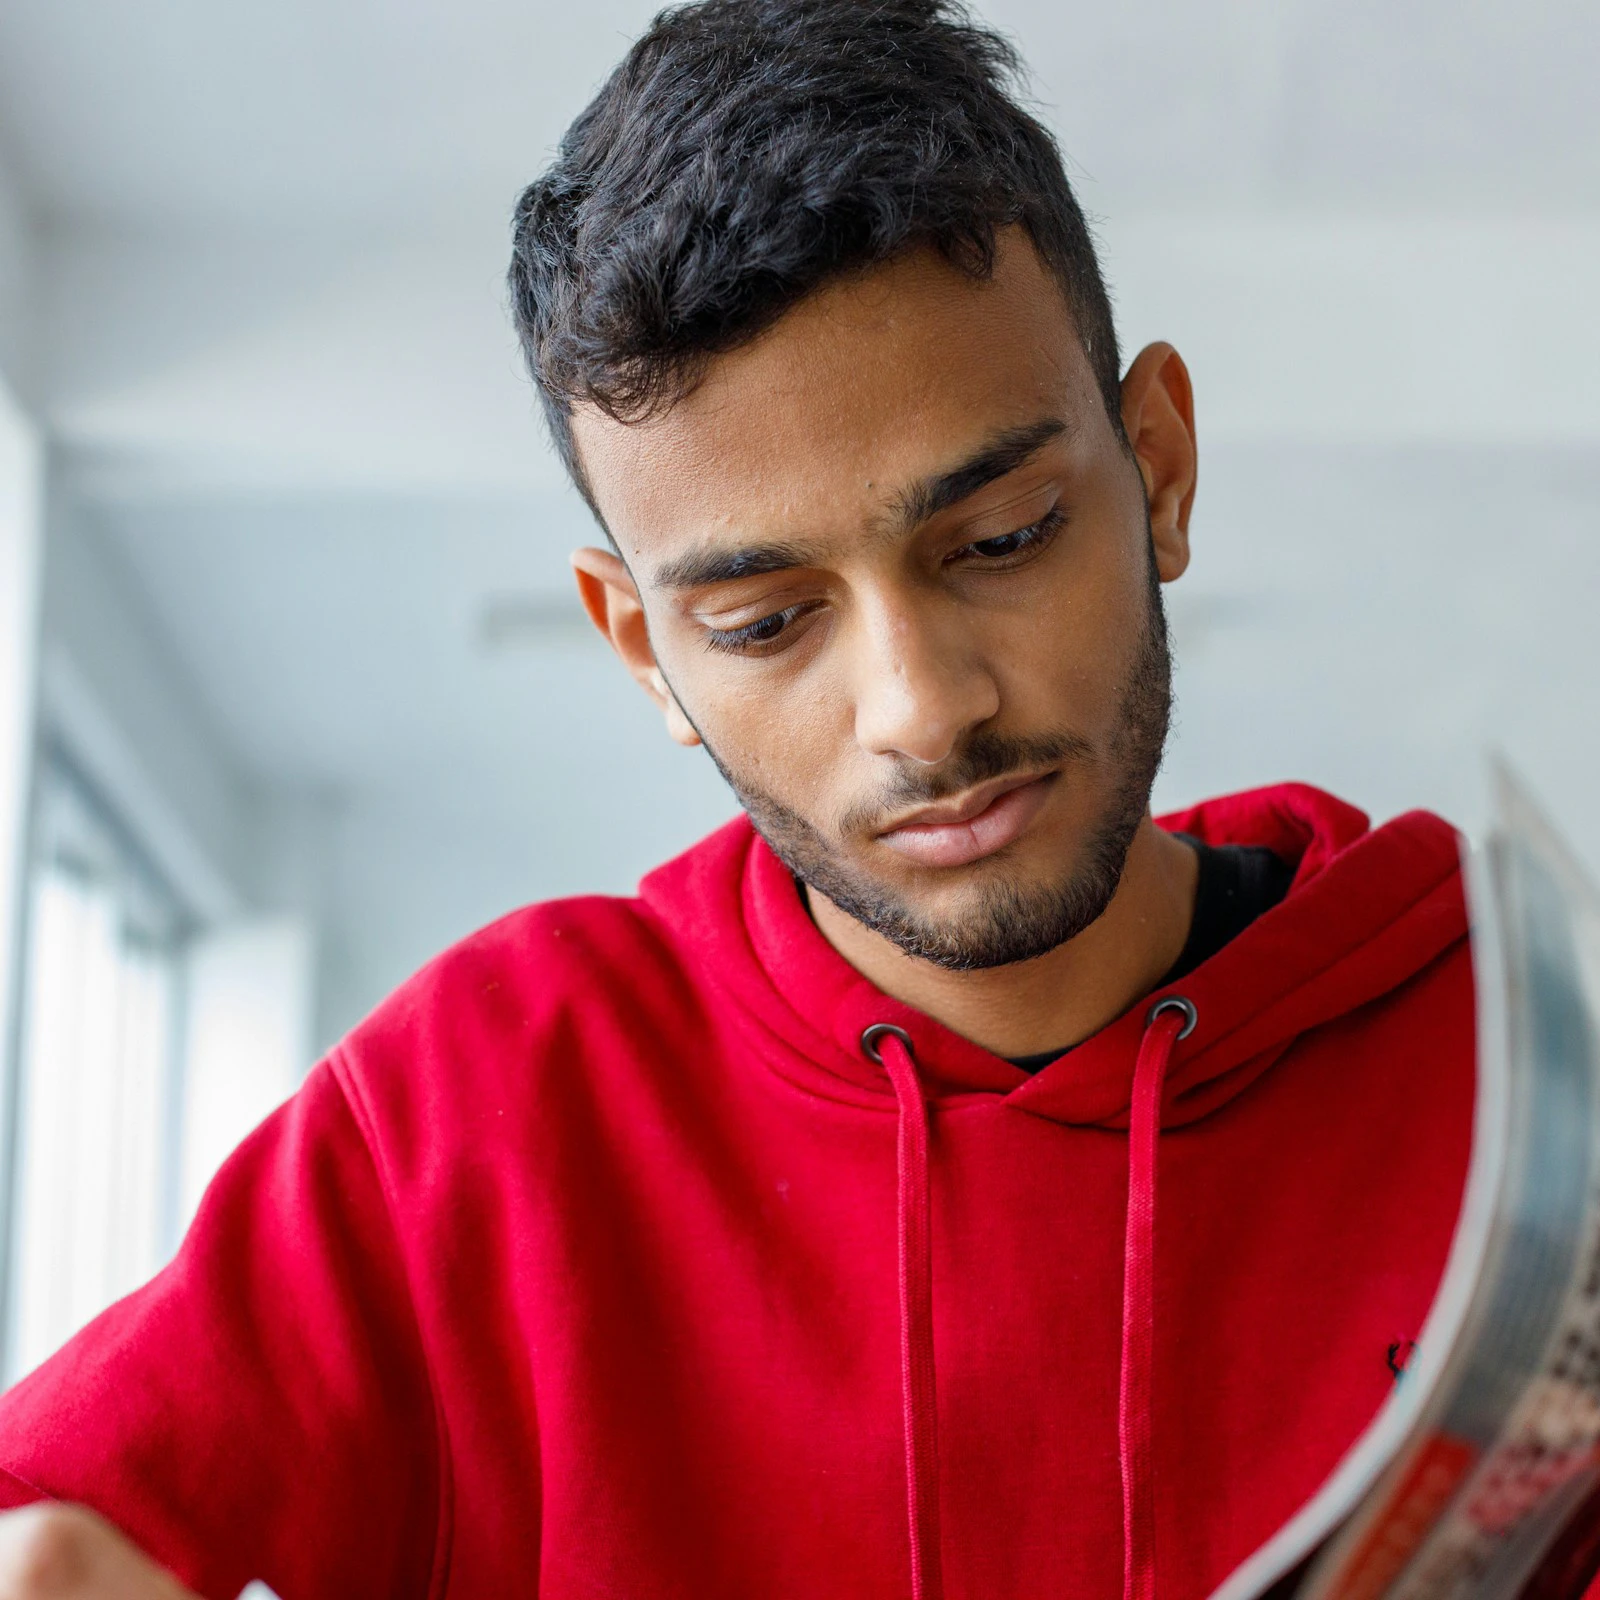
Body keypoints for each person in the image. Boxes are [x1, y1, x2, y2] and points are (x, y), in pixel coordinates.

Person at [0, 1, 1488, 1597]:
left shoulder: (1520, 1053)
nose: (922, 709)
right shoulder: (474, 1117)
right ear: (644, 650)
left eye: (998, 539)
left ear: (1161, 466)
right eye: (768, 623)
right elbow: (61, 1545)